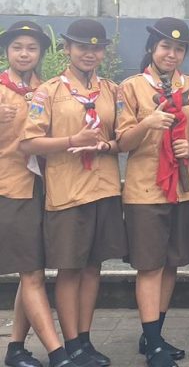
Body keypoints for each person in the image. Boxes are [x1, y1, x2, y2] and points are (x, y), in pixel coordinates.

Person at [20, 19, 127, 367]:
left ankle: (85, 340)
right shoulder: (47, 92)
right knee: (69, 269)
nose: (89, 53)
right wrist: (72, 141)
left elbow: (122, 135)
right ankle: (69, 344)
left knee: (94, 267)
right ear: (67, 48)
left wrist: (109, 143)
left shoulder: (112, 90)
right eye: (82, 46)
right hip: (67, 193)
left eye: (96, 47)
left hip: (104, 187)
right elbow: (29, 142)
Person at [115, 18, 189, 367]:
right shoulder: (132, 87)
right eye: (166, 46)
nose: (172, 53)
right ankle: (154, 345)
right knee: (150, 267)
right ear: (152, 48)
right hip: (146, 190)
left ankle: (153, 334)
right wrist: (147, 123)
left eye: (179, 48)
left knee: (171, 264)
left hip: (184, 189)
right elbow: (122, 142)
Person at [0, 22, 80, 367]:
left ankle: (16, 348)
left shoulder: (46, 91)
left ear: (42, 54)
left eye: (31, 48)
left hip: (43, 189)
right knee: (31, 272)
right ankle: (57, 352)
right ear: (7, 51)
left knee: (31, 271)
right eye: (18, 46)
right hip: (10, 188)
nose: (24, 54)